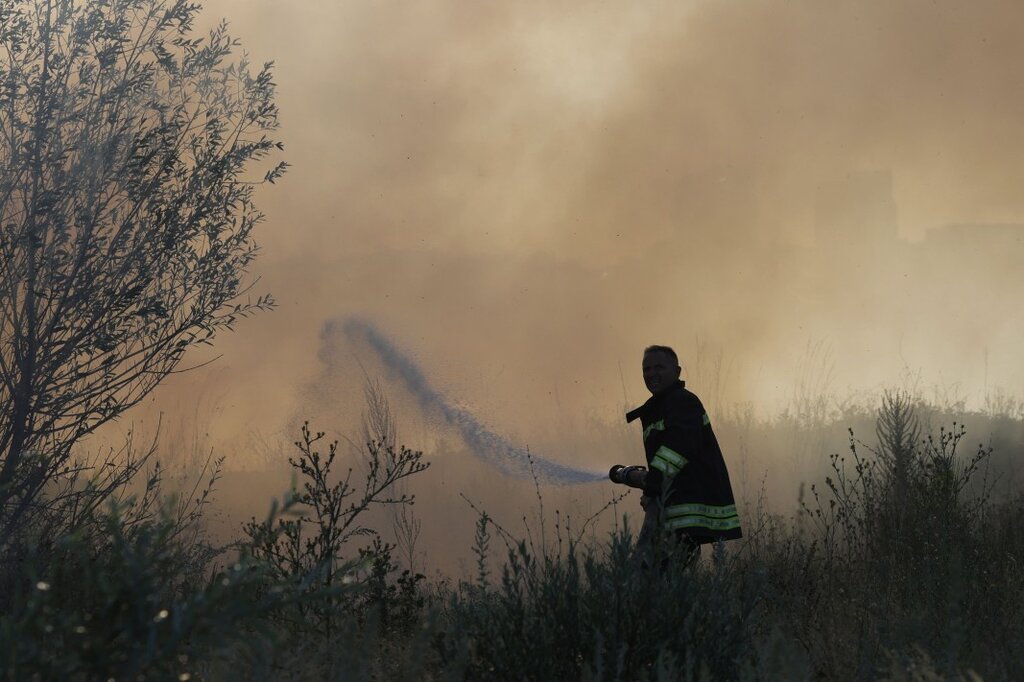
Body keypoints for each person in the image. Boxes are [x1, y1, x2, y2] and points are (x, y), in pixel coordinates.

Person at [624, 345, 742, 566]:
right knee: (664, 577)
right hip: (673, 510)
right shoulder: (658, 407)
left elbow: (677, 448)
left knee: (651, 575)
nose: (651, 374)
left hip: (688, 508)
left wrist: (652, 484)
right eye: (646, 369)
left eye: (659, 367)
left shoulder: (683, 401)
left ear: (677, 372)